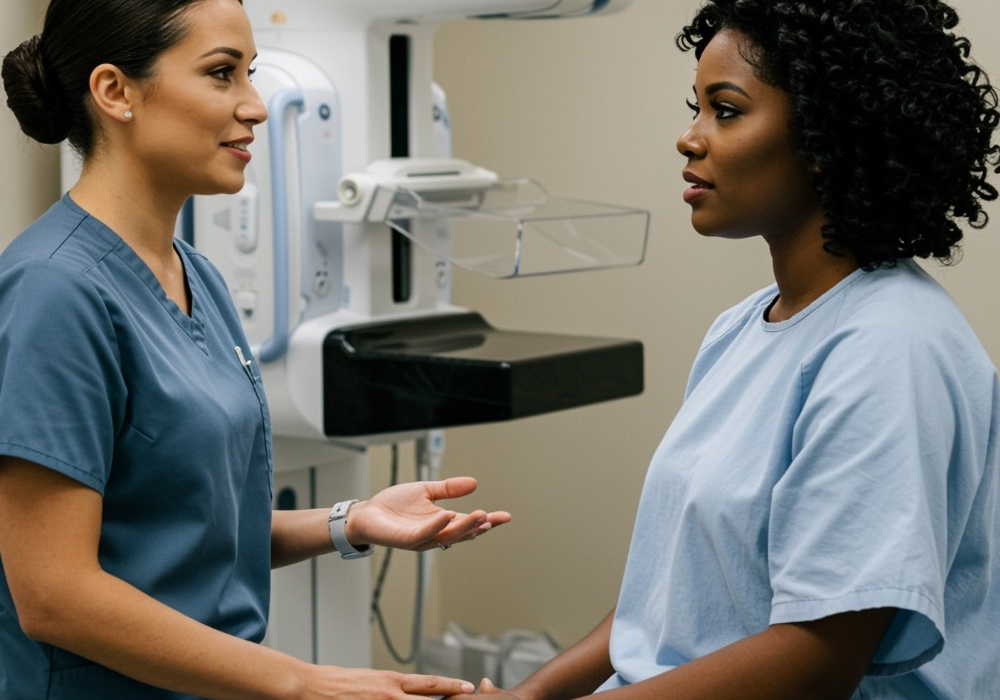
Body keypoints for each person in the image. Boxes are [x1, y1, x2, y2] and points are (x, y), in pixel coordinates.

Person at [466, 1, 1000, 699]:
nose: (689, 140)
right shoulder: (744, 327)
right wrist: (530, 695)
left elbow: (815, 659)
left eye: (725, 110)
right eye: (697, 108)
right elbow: (665, 597)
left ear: (826, 135)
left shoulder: (890, 349)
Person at [0, 0, 511, 698]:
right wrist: (305, 684)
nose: (257, 107)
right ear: (115, 92)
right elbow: (55, 594)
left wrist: (352, 522)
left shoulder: (194, 275)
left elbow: (183, 528)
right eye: (221, 74)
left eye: (251, 73)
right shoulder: (54, 291)